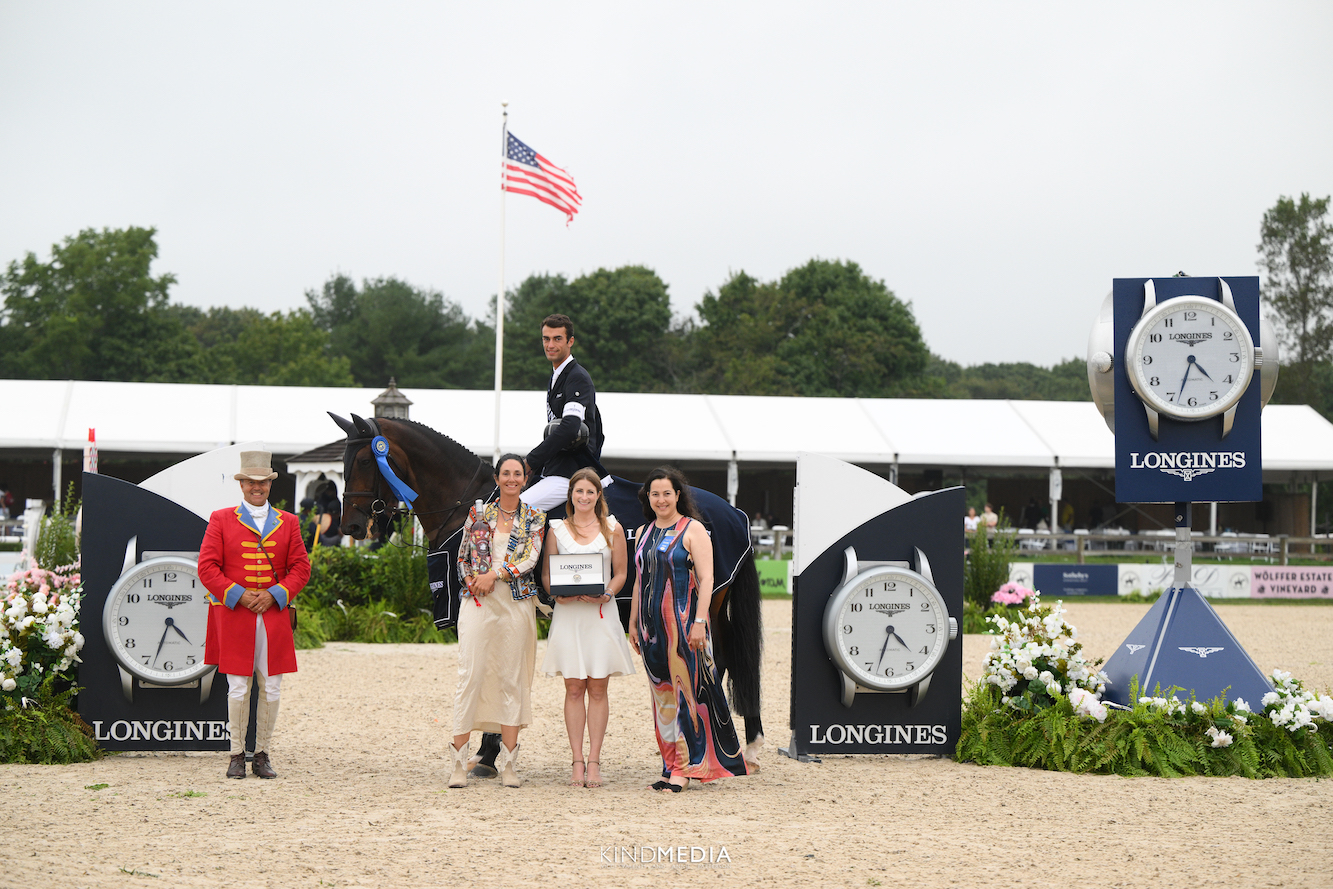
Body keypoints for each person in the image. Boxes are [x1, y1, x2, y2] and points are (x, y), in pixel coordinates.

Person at [628, 466, 748, 792]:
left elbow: (707, 579)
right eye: (655, 493)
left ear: (677, 495)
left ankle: (684, 768)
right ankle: (668, 765)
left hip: (683, 625)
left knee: (687, 697)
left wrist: (699, 621)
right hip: (651, 629)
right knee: (661, 699)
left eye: (667, 493)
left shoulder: (693, 529)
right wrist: (633, 623)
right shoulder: (643, 532)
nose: (661, 499)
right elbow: (640, 580)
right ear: (648, 498)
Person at [197, 450, 311, 779]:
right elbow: (207, 567)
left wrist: (275, 594)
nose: (256, 487)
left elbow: (301, 567)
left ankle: (262, 753)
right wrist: (240, 594)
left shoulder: (288, 522)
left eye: (262, 482)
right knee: (237, 687)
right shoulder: (220, 518)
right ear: (242, 484)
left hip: (273, 614)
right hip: (236, 614)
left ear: (270, 484)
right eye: (250, 482)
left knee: (272, 687)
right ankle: (235, 754)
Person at [450, 454, 547, 789]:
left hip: (515, 604)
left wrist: (494, 574)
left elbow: (530, 557)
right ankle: (459, 765)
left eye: (517, 474)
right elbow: (462, 556)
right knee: (471, 675)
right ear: (496, 478)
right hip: (478, 600)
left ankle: (508, 766)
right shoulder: (478, 513)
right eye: (505, 473)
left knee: (510, 678)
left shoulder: (535, 517)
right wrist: (474, 582)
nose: (511, 479)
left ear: (524, 479)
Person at [540, 469, 634, 789]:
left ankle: (594, 760)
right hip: (569, 616)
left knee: (597, 688)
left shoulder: (613, 529)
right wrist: (558, 593)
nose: (584, 497)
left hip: (600, 614)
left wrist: (607, 592)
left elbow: (621, 572)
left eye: (589, 492)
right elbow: (547, 577)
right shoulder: (556, 530)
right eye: (578, 491)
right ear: (571, 495)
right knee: (574, 688)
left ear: (598, 496)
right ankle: (576, 760)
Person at [521, 314, 607, 512]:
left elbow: (570, 428)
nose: (550, 345)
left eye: (557, 339)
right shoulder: (556, 376)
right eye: (546, 339)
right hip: (555, 468)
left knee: (514, 510)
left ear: (570, 341)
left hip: (571, 473)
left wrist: (530, 461)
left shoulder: (577, 377)